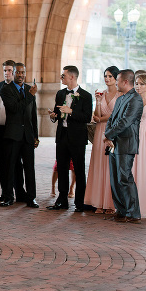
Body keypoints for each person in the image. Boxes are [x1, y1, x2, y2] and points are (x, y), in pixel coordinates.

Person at [47, 65, 93, 212]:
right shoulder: (60, 93)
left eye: (63, 75)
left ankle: (80, 202)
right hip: (62, 136)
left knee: (79, 170)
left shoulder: (86, 95)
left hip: (77, 138)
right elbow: (57, 112)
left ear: (72, 77)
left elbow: (86, 117)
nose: (62, 78)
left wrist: (71, 111)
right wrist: (53, 116)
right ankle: (62, 200)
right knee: (61, 168)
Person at [103, 69, 143, 223]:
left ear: (125, 82)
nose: (116, 82)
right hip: (114, 144)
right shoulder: (120, 99)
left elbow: (125, 122)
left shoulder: (136, 99)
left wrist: (108, 135)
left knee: (124, 178)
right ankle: (121, 211)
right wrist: (108, 136)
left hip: (126, 143)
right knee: (115, 179)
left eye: (118, 80)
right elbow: (112, 119)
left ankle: (133, 214)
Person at [1, 62, 40, 208]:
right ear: (13, 73)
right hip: (13, 135)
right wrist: (30, 96)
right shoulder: (6, 89)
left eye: (23, 72)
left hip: (28, 136)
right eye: (18, 72)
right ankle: (8, 197)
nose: (21, 75)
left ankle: (31, 198)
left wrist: (35, 135)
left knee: (30, 168)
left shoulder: (30, 89)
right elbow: (14, 108)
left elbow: (33, 115)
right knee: (11, 167)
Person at [85, 66, 120, 214]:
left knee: (110, 166)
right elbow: (96, 115)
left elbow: (116, 115)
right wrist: (98, 101)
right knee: (99, 164)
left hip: (113, 131)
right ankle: (98, 202)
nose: (107, 79)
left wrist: (101, 118)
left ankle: (110, 204)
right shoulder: (102, 93)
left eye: (110, 76)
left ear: (116, 78)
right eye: (105, 76)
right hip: (100, 131)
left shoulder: (120, 95)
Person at [0, 60, 23, 202]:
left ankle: (13, 195)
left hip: (11, 132)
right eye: (5, 71)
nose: (7, 73)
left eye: (9, 70)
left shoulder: (18, 88)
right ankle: (5, 193)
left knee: (12, 165)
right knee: (1, 164)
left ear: (14, 72)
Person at [133, 71, 146, 218]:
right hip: (133, 134)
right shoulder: (132, 99)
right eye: (136, 83)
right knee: (133, 168)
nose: (138, 86)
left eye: (141, 84)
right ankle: (132, 204)